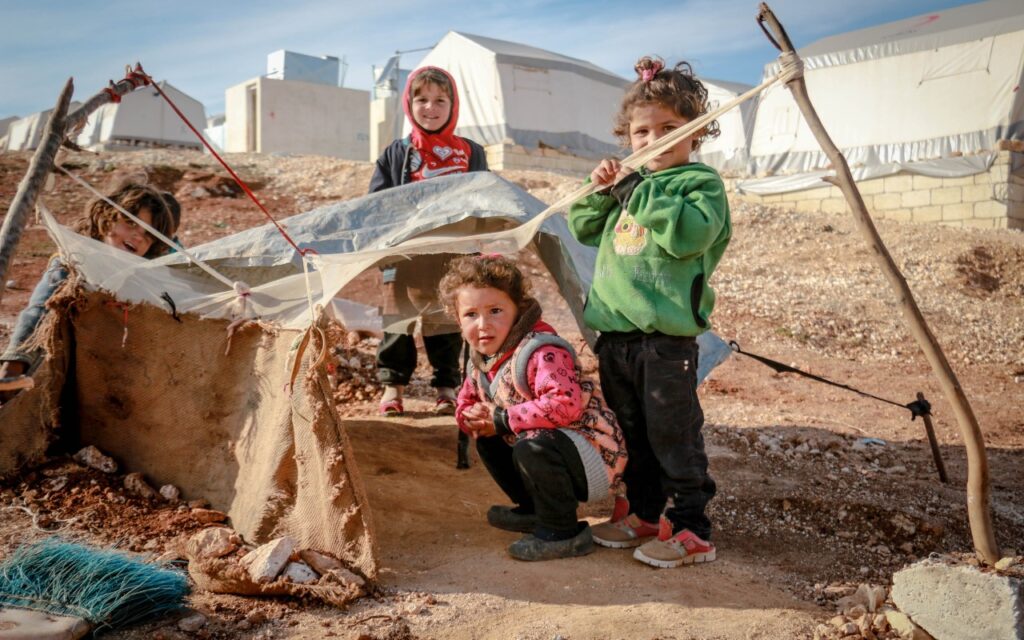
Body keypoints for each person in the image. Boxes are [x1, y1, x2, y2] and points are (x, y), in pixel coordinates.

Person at [567, 56, 731, 568]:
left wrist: (635, 190)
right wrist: (600, 190)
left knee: (672, 433)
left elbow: (686, 236)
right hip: (616, 339)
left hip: (665, 342)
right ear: (627, 136)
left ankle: (690, 527)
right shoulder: (625, 185)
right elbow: (581, 227)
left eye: (668, 128)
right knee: (630, 431)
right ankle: (642, 513)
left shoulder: (698, 186)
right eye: (641, 132)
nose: (652, 139)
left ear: (695, 133)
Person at [441, 254, 627, 561]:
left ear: (519, 310)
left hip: (594, 458)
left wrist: (501, 418)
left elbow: (564, 405)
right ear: (457, 319)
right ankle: (535, 510)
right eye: (470, 314)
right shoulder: (483, 359)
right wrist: (470, 417)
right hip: (553, 448)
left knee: (532, 446)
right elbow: (467, 399)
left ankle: (563, 531)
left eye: (496, 311)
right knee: (488, 436)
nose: (483, 324)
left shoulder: (541, 351)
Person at [369, 66, 489, 417]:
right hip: (403, 256)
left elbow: (484, 200)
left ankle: (447, 387)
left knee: (446, 323)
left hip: (452, 256)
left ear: (453, 105)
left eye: (440, 100)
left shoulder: (471, 152)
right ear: (409, 104)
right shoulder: (396, 153)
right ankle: (393, 386)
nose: (430, 107)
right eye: (421, 99)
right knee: (396, 321)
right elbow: (375, 203)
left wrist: (479, 249)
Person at [0, 183, 178, 400]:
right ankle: (14, 366)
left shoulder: (139, 276)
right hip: (57, 354)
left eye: (147, 236)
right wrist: (15, 364)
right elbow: (39, 310)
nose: (137, 236)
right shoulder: (73, 260)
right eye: (131, 224)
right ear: (107, 217)